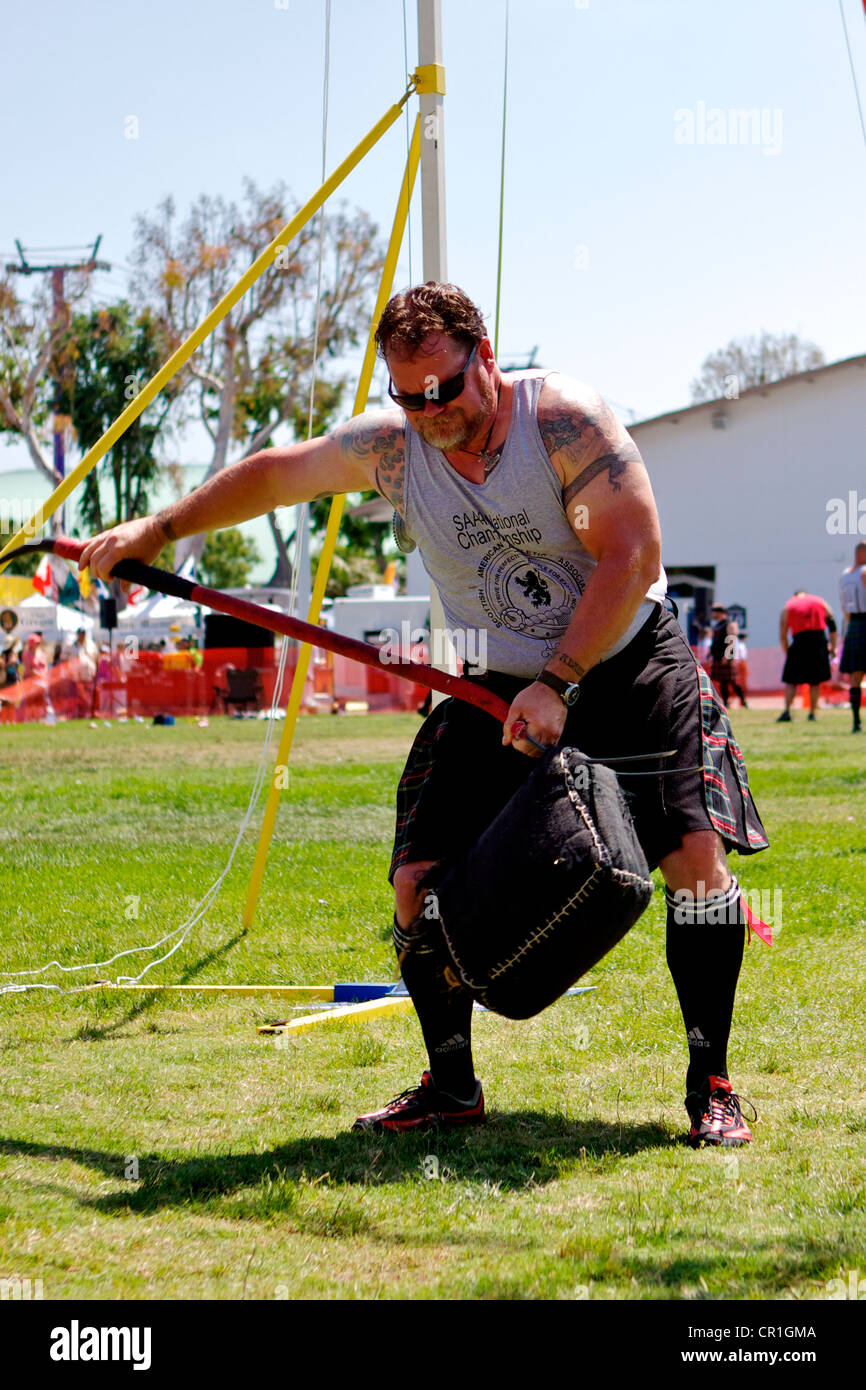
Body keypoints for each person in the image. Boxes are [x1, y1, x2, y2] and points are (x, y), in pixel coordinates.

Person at [79, 282, 769, 1149]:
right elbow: (277, 474)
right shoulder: (393, 449)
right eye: (409, 396)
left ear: (485, 356)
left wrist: (559, 678)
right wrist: (162, 526)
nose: (429, 411)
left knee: (697, 872)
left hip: (626, 664)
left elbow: (633, 554)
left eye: (444, 388)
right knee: (417, 881)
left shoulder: (563, 421)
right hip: (493, 683)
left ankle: (712, 1083)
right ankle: (451, 1086)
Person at [778, 590, 836, 723]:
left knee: (791, 680)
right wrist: (832, 646)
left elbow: (783, 634)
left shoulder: (789, 606)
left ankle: (787, 711)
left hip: (799, 642)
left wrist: (788, 652)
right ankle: (812, 713)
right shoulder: (820, 602)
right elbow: (832, 625)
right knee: (815, 681)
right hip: (818, 641)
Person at [839, 542, 866, 734]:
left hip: (854, 624)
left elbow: (843, 606)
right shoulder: (864, 572)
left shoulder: (845, 574)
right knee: (856, 676)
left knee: (855, 676)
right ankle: (856, 721)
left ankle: (856, 722)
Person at [707, 604, 748, 709]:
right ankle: (725, 703)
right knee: (723, 682)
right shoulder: (717, 625)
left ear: (719, 612)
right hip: (717, 656)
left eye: (714, 611)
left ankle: (743, 701)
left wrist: (727, 655)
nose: (712, 613)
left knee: (733, 681)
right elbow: (715, 641)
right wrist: (710, 653)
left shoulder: (730, 624)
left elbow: (732, 640)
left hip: (726, 657)